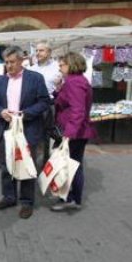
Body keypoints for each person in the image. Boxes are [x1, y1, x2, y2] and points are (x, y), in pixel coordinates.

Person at [0, 46, 50, 219]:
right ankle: (9, 197)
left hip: (28, 128)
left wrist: (26, 114)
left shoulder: (35, 78)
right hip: (7, 129)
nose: (9, 65)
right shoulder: (1, 81)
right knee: (6, 165)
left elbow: (44, 102)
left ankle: (27, 202)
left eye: (12, 62)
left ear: (21, 61)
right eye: (6, 62)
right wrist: (1, 111)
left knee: (26, 165)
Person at [50, 52, 96, 212]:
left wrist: (68, 135)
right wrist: (58, 89)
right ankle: (72, 198)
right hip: (77, 131)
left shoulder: (74, 82)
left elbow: (77, 111)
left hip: (73, 132)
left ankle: (72, 199)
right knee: (74, 165)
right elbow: (65, 101)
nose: (59, 67)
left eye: (62, 64)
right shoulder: (75, 81)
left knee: (70, 166)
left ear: (71, 64)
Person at [28, 41, 62, 163]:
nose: (38, 53)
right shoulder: (31, 68)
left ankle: (45, 165)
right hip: (33, 105)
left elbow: (62, 87)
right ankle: (34, 163)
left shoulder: (57, 67)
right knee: (34, 135)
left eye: (41, 50)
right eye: (36, 50)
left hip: (48, 105)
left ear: (49, 52)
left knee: (46, 136)